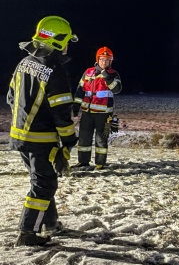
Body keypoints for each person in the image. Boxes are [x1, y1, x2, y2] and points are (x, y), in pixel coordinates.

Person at [7, 16, 79, 246]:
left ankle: (50, 224)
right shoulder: (54, 70)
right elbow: (61, 113)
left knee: (41, 180)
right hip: (41, 140)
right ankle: (27, 233)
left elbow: (11, 96)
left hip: (19, 137)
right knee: (44, 184)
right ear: (57, 41)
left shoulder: (24, 62)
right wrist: (69, 141)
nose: (68, 46)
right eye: (67, 41)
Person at [73, 46, 122, 169]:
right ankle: (83, 162)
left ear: (110, 61)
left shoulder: (113, 74)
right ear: (97, 59)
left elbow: (117, 89)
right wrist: (75, 106)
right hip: (87, 112)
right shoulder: (88, 72)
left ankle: (100, 163)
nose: (104, 62)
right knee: (84, 139)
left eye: (107, 60)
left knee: (101, 140)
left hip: (104, 114)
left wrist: (105, 75)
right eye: (102, 59)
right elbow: (80, 90)